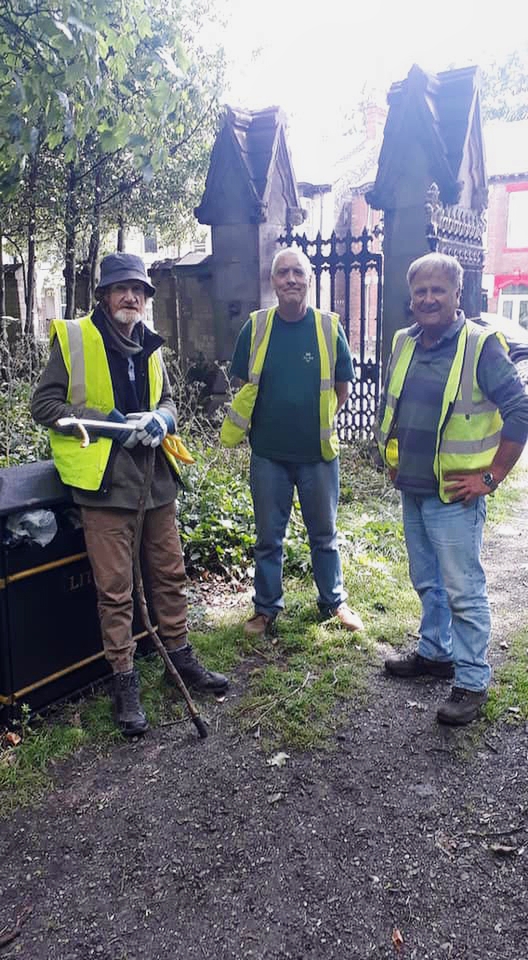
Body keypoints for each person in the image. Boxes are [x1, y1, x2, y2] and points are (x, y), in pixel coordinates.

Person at [32, 252, 228, 736]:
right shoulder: (75, 338)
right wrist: (108, 427)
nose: (131, 297)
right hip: (103, 485)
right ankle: (124, 680)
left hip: (154, 480)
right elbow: (45, 405)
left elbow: (165, 399)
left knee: (170, 572)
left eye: (139, 290)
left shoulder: (150, 342)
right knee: (116, 590)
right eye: (122, 289)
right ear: (103, 294)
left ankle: (179, 659)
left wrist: (163, 419)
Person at [376, 252, 528, 725]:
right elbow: (399, 407)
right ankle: (435, 653)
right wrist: (393, 460)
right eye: (420, 291)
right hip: (414, 488)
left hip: (456, 496)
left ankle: (471, 680)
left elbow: (520, 410)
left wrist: (491, 476)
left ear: (458, 295)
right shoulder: (405, 341)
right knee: (428, 582)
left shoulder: (481, 345)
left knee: (463, 589)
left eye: (438, 290)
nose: (427, 298)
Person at [221, 246, 364, 639]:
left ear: (309, 279)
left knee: (325, 535)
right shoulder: (256, 326)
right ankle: (265, 610)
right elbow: (242, 383)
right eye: (283, 273)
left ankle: (333, 602)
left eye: (297, 272)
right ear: (273, 281)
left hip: (317, 455)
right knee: (268, 537)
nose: (290, 279)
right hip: (268, 454)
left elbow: (342, 387)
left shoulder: (327, 326)